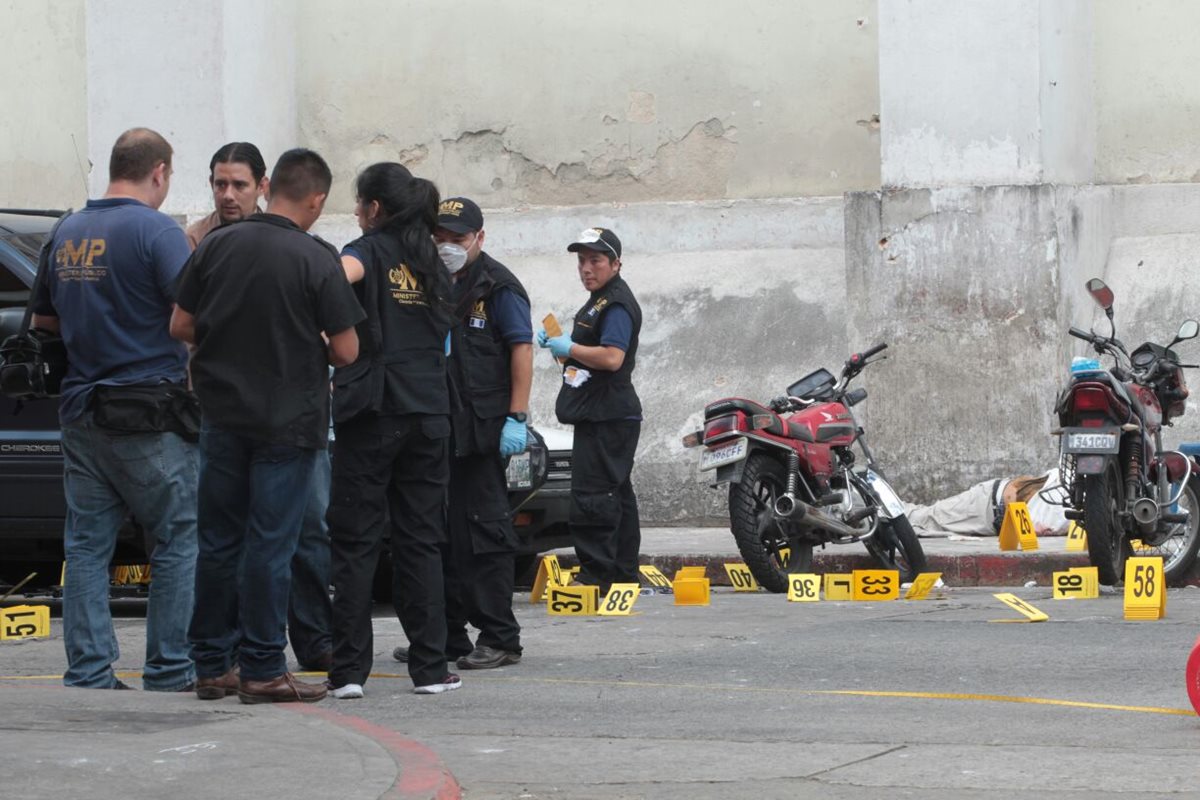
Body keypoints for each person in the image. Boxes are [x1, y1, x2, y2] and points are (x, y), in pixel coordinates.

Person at [170, 148, 363, 704]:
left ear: (268, 185)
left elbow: (180, 323)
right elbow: (347, 350)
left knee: (218, 543)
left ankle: (211, 663)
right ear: (317, 200)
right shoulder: (316, 257)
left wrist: (231, 343)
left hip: (222, 417)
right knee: (271, 546)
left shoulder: (217, 245)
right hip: (288, 423)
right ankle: (260, 667)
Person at [30, 127, 198, 691]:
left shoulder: (67, 230)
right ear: (159, 173)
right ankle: (170, 667)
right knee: (178, 539)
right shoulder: (158, 231)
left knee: (85, 548)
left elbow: (42, 326)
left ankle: (88, 671)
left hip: (81, 409)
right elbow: (194, 317)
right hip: (151, 413)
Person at [325, 162, 459, 698]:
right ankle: (429, 668)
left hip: (374, 412)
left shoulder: (366, 250)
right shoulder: (432, 263)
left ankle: (349, 672)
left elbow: (336, 278)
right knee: (420, 543)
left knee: (356, 543)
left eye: (359, 204)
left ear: (374, 209)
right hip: (428, 414)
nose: (356, 213)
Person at [433, 196, 531, 670]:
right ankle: (446, 635)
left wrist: (518, 415)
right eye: (442, 237)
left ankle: (500, 636)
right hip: (440, 428)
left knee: (487, 532)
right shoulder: (432, 280)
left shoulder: (497, 286)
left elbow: (521, 349)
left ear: (480, 238)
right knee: (440, 535)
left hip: (484, 429)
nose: (448, 246)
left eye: (459, 238)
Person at [538, 227, 643, 594]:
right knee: (617, 493)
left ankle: (596, 576)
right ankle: (623, 573)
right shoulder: (599, 299)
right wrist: (562, 349)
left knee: (594, 494)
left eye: (595, 260)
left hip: (607, 414)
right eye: (581, 260)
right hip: (601, 411)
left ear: (616, 263)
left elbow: (612, 358)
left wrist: (571, 348)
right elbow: (590, 357)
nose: (586, 268)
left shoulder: (615, 303)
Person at [184, 142, 269, 249]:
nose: (228, 195)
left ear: (262, 186)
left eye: (239, 185)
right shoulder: (195, 240)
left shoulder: (279, 238)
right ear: (211, 183)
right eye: (221, 185)